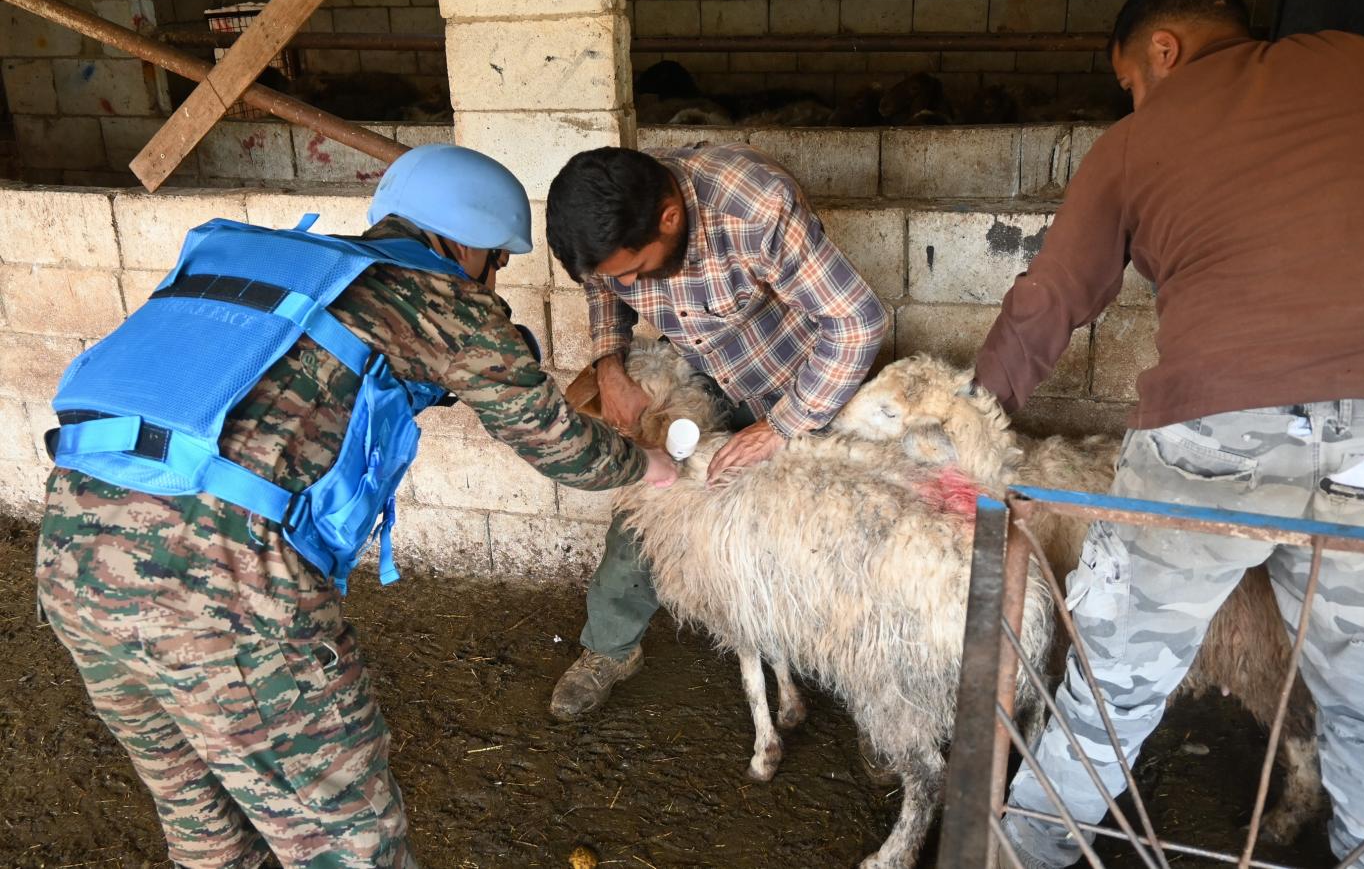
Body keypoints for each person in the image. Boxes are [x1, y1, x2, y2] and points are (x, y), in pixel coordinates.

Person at [35, 144, 678, 869]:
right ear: (466, 241)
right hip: (221, 596)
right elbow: (562, 446)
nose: (491, 277)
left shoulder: (289, 266)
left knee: (199, 815)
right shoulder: (445, 300)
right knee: (345, 839)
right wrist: (645, 461)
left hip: (71, 562)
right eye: (495, 261)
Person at [975, 0, 1364, 869]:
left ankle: (1018, 853)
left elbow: (1052, 299)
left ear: (1162, 50)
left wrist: (969, 427)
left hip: (1217, 434)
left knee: (1111, 688)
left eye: (1129, 81)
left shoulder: (1135, 143)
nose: (1132, 100)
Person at [543, 142, 888, 720]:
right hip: (704, 381)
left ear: (671, 218)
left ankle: (874, 697)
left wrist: (781, 426)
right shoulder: (613, 223)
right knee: (653, 503)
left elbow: (858, 323)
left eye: (633, 270)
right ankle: (611, 646)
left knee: (835, 543)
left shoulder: (755, 207)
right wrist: (609, 362)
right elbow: (601, 285)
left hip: (804, 385)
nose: (625, 282)